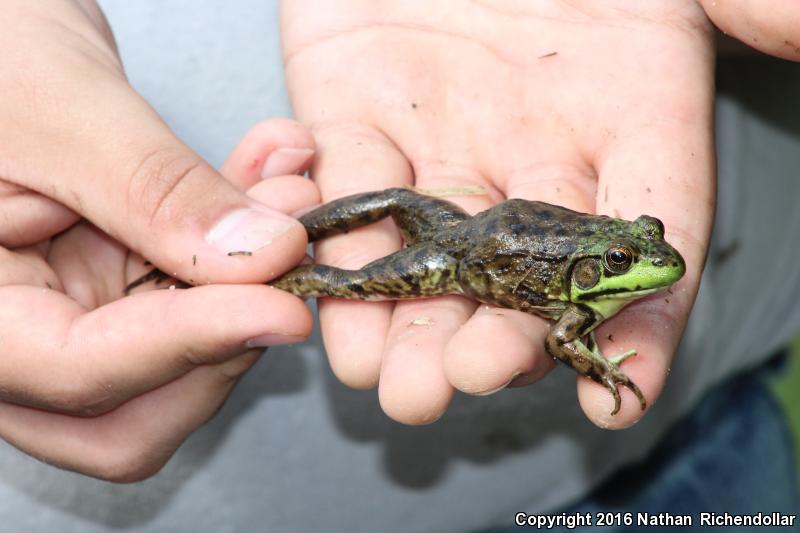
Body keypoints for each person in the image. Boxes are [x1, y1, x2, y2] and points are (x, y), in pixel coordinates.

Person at [0, 1, 798, 531]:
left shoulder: (592, 278)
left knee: (388, 199)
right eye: (628, 259)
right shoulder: (577, 305)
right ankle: (274, 257)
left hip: (696, 433)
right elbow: (564, 338)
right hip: (462, 249)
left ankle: (276, 241)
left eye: (637, 246)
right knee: (351, 282)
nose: (650, 264)